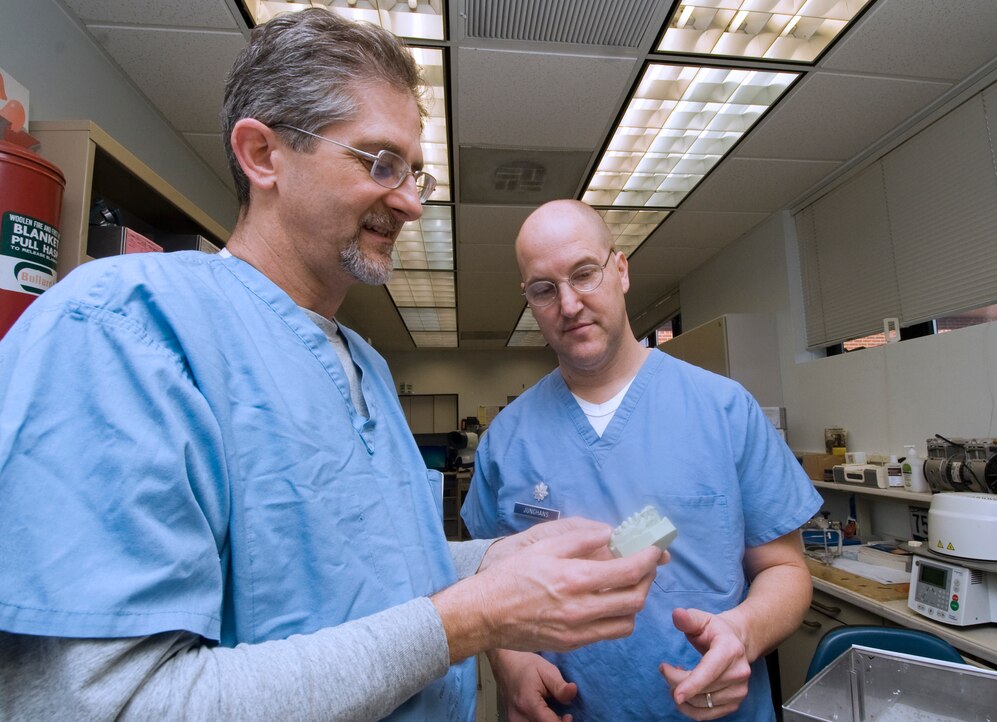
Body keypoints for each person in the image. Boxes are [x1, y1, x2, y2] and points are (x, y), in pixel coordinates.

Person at [0, 11, 665, 720]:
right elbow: (111, 705)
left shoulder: (367, 368)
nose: (410, 202)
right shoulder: (122, 329)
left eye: (416, 174)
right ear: (262, 154)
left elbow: (359, 577)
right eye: (380, 163)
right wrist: (473, 618)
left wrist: (495, 562)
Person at [460, 199, 823, 721]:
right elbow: (482, 587)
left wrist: (743, 634)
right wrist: (510, 662)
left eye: (584, 274)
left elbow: (786, 570)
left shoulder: (723, 410)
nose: (569, 304)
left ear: (621, 270)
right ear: (528, 299)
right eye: (544, 289)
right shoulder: (508, 440)